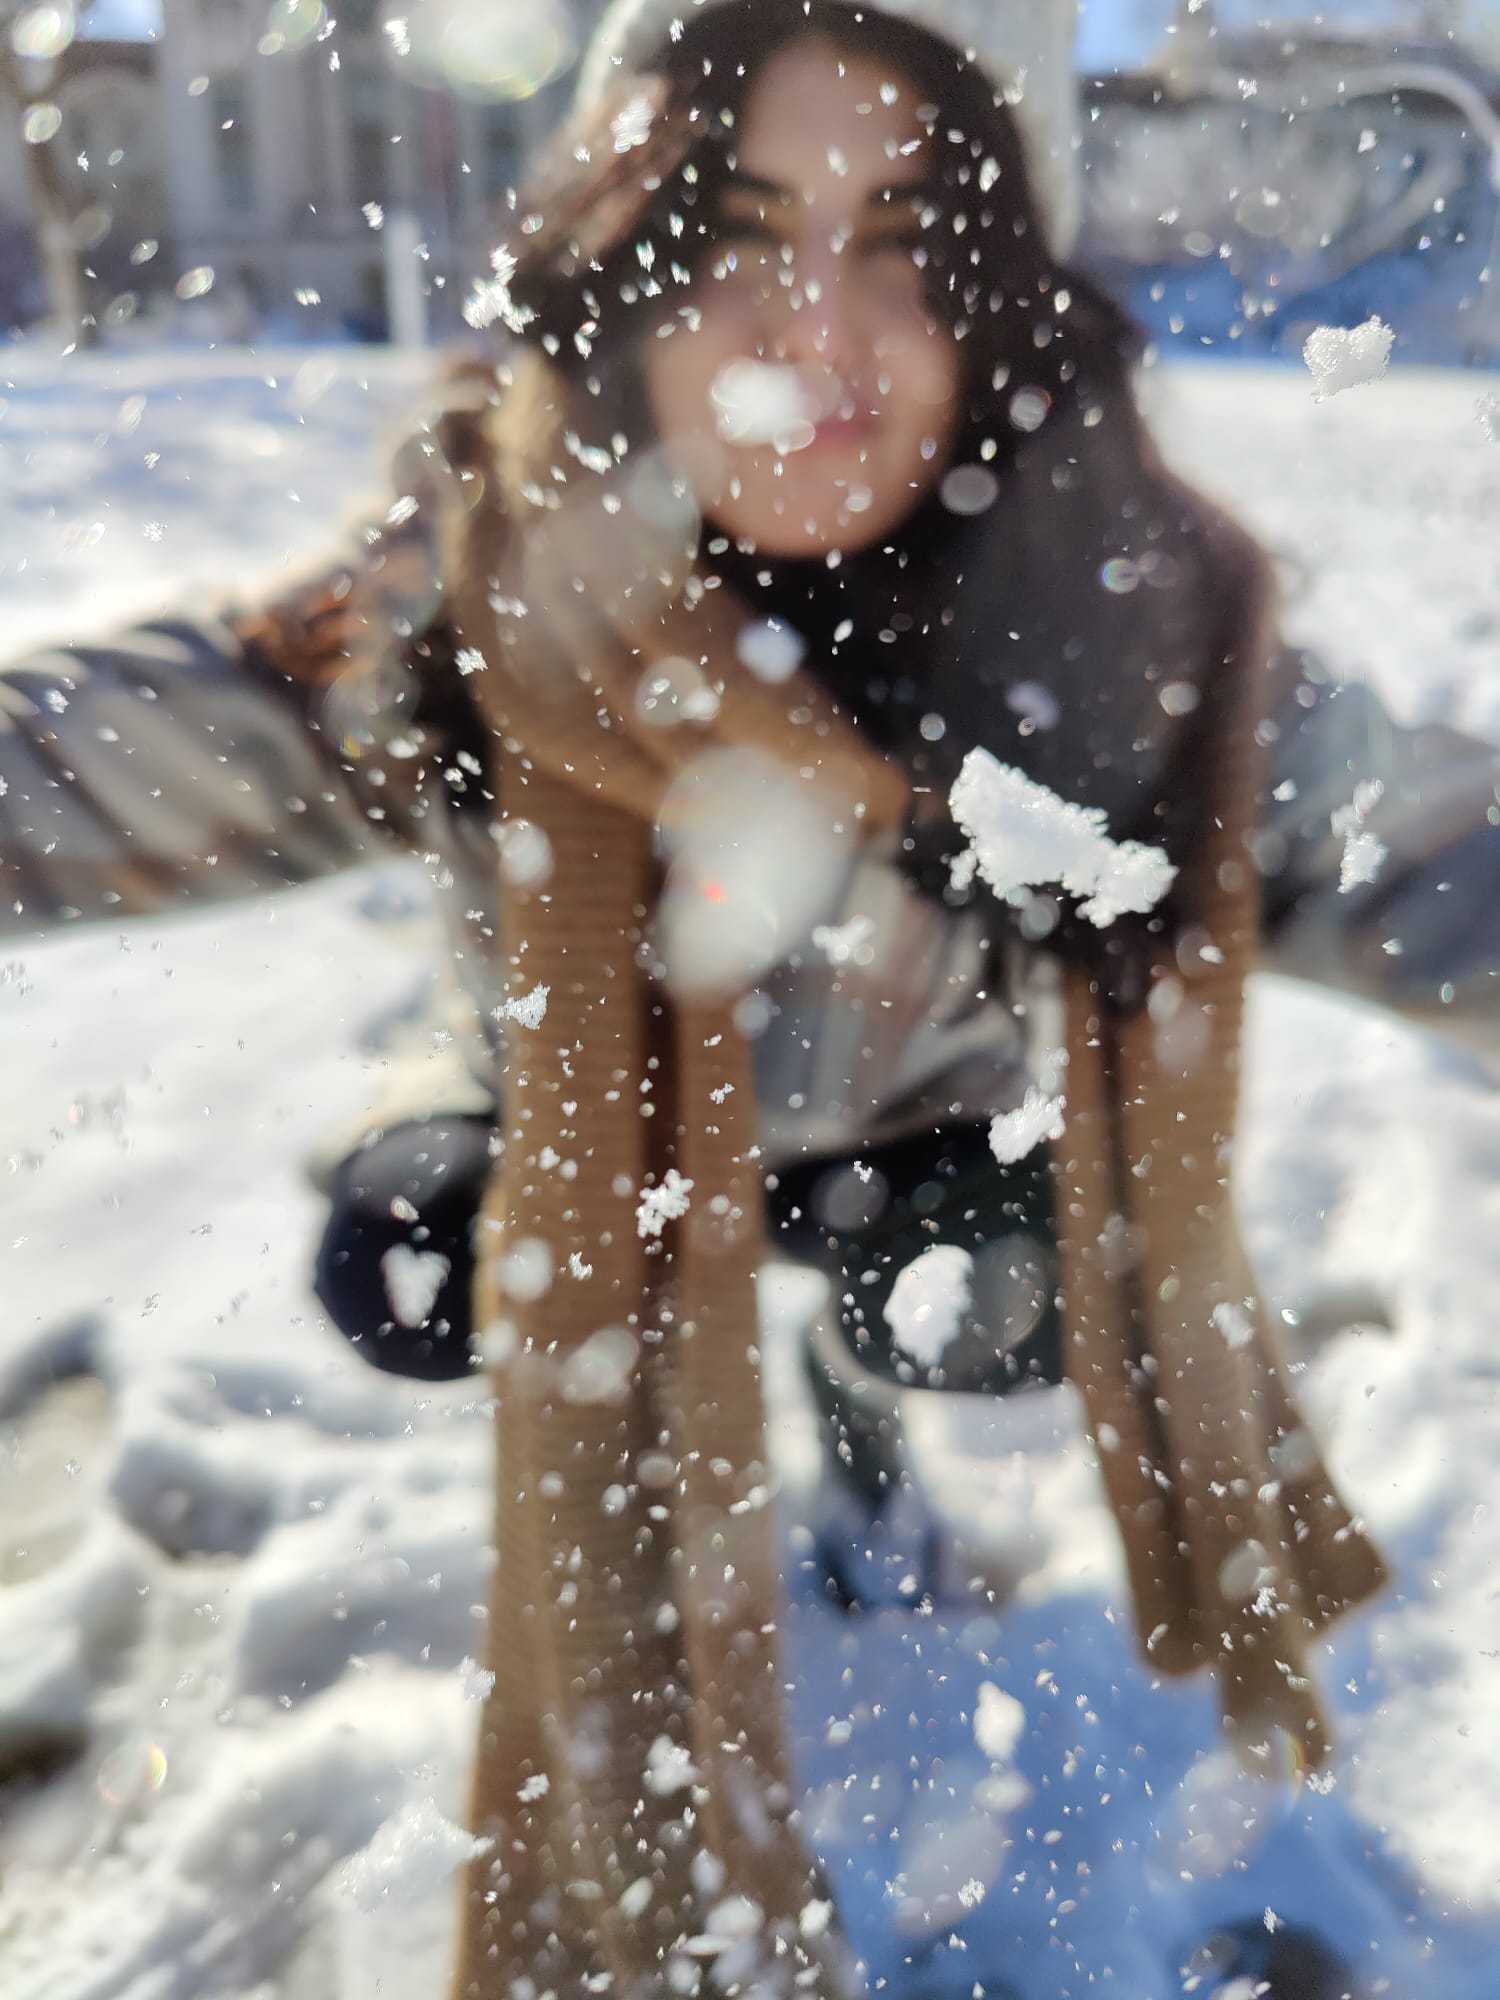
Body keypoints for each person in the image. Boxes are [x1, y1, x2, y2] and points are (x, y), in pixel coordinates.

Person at [2, 1, 1498, 1984]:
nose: (820, 331)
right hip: (587, 1144)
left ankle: (859, 1413)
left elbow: (1438, 859)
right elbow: (113, 750)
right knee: (421, 1259)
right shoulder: (474, 589)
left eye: (905, 241)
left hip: (923, 1131)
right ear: (620, 274)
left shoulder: (1120, 622)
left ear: (994, 300)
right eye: (736, 234)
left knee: (982, 1304)